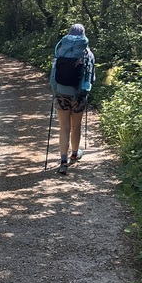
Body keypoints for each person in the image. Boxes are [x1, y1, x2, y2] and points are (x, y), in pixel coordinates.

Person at [50, 23, 95, 175]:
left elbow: (53, 75)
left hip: (61, 92)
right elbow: (91, 78)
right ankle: (74, 154)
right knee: (76, 126)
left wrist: (55, 90)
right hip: (79, 94)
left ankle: (63, 162)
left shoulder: (60, 50)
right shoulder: (88, 53)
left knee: (64, 127)